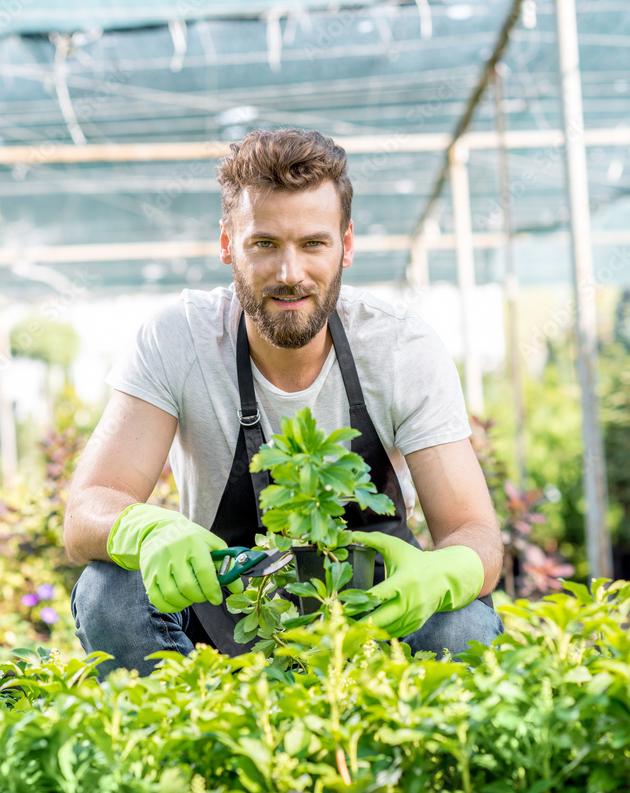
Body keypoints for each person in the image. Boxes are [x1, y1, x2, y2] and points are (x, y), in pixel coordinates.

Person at [64, 127, 504, 680]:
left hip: (372, 627)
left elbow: (477, 533)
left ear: (346, 244)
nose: (290, 273)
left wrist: (445, 573)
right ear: (228, 243)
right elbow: (86, 511)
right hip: (221, 627)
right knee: (109, 590)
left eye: (313, 244)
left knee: (461, 624)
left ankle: (411, 758)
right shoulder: (179, 339)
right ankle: (184, 746)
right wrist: (147, 530)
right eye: (264, 244)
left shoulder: (400, 348)